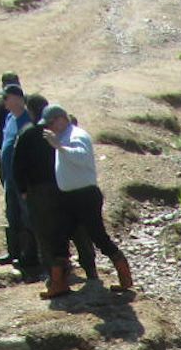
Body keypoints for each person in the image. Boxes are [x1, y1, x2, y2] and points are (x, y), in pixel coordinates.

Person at [43, 104, 133, 297]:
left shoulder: (77, 135)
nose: (50, 128)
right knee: (59, 236)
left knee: (98, 236)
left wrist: (59, 147)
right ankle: (59, 283)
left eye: (51, 123)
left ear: (61, 119)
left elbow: (82, 157)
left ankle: (125, 277)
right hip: (68, 197)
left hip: (85, 196)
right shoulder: (63, 137)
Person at [12, 93, 72, 298]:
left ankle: (55, 280)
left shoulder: (27, 134)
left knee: (44, 235)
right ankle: (64, 274)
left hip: (38, 191)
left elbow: (17, 166)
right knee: (61, 231)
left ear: (30, 111)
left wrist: (22, 191)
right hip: (62, 188)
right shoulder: (60, 132)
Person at [0, 82, 34, 270]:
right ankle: (14, 252)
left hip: (23, 179)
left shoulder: (28, 119)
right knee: (11, 213)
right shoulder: (10, 117)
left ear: (17, 99)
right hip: (9, 178)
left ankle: (30, 256)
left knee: (26, 215)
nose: (3, 101)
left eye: (6, 97)